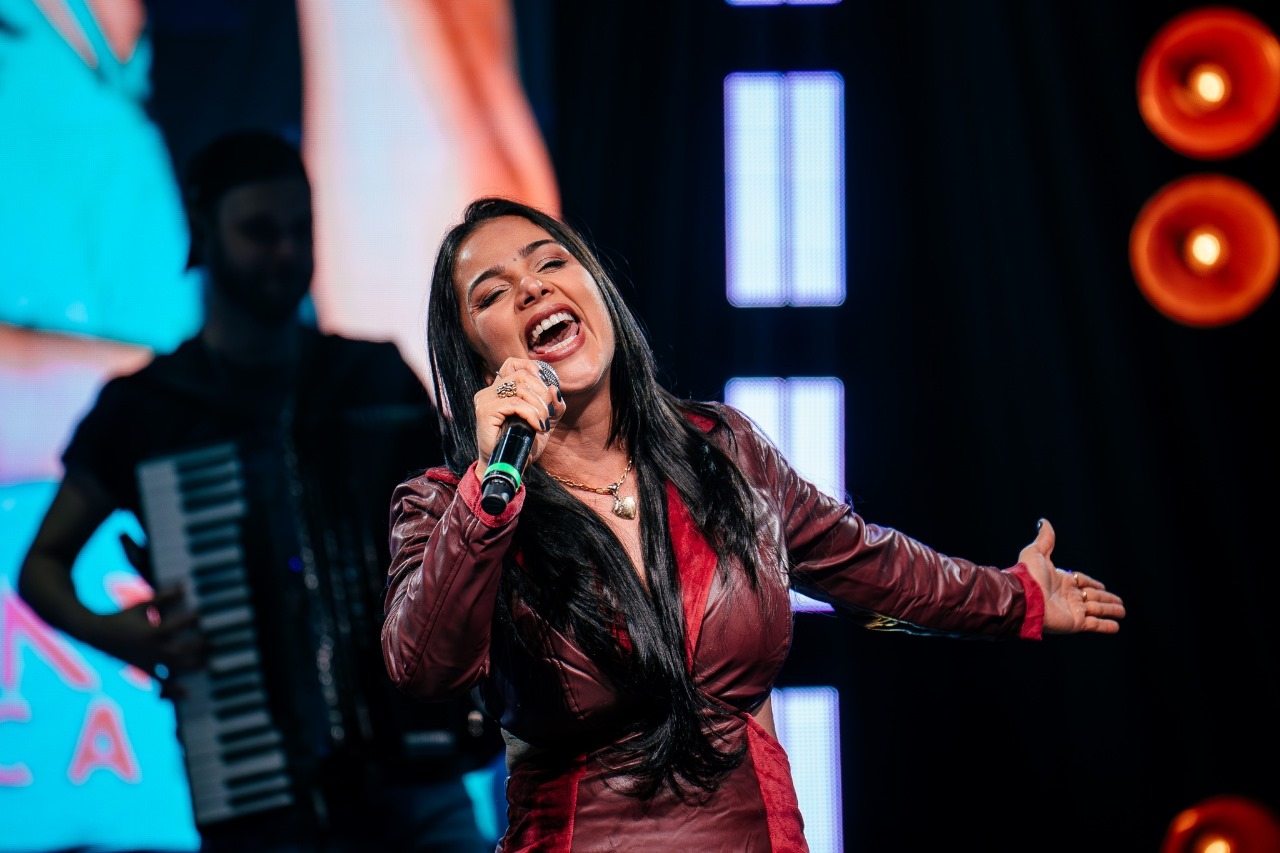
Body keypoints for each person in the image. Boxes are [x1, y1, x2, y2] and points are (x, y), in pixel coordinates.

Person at [379, 196, 1128, 852]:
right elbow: (424, 667)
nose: (533, 287)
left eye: (552, 262)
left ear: (596, 288)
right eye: (492, 293)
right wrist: (491, 493)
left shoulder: (721, 452)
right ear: (475, 359)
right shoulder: (448, 507)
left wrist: (1017, 596)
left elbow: (873, 566)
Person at [18, 130, 496, 853]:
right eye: (261, 231)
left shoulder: (373, 378)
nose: (287, 251)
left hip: (418, 771)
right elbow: (42, 565)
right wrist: (119, 635)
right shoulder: (150, 407)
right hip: (257, 780)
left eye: (301, 229)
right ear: (204, 233)